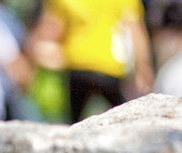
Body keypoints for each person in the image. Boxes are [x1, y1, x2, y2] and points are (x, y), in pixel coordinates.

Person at [27, 0, 155, 123]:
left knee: (74, 124)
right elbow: (136, 33)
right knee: (126, 119)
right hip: (110, 67)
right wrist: (144, 69)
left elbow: (51, 28)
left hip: (77, 65)